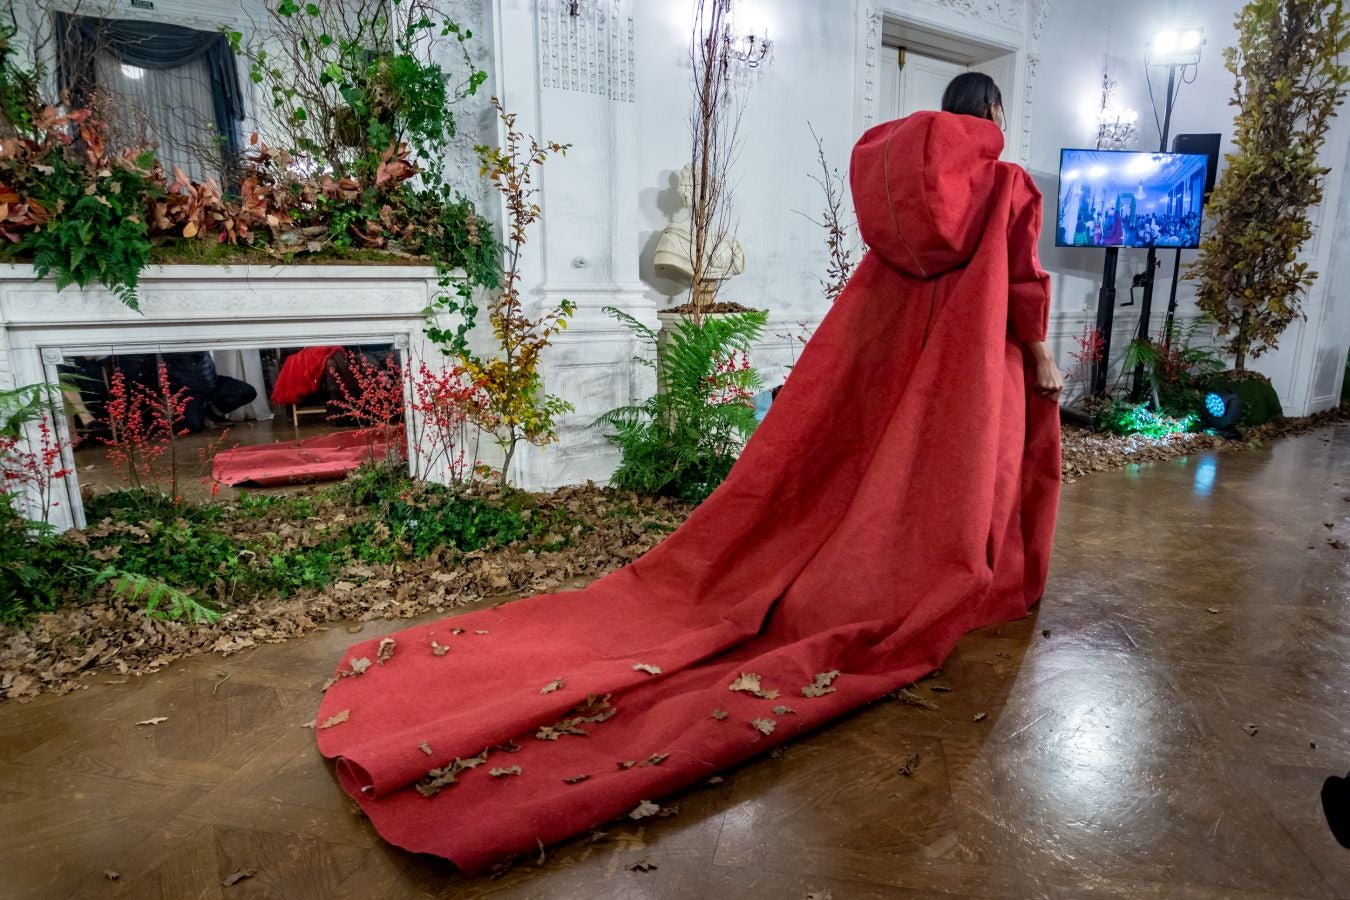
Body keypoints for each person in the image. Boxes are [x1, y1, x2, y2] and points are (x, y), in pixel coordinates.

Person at [313, 72, 1063, 874]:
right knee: (952, 486)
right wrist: (1041, 356)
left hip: (891, 357)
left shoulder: (896, 191)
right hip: (966, 364)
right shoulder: (1007, 185)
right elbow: (1020, 280)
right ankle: (943, 575)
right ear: (991, 115)